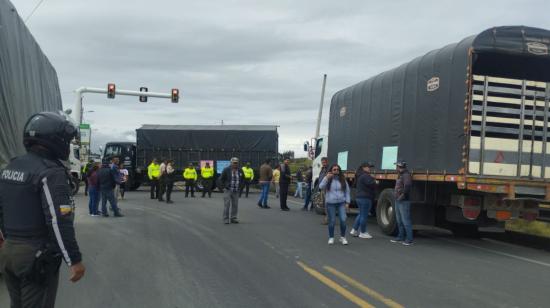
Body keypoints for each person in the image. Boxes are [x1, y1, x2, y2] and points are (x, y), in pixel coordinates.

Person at [0, 112, 85, 307]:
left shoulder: (11, 166)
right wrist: (74, 259)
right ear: (56, 140)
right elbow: (58, 220)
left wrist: (9, 239)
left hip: (9, 251)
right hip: (34, 255)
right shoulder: (50, 172)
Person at [319, 164, 350, 245]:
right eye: (334, 169)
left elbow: (347, 191)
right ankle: (331, 237)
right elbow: (321, 186)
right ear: (331, 171)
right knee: (332, 221)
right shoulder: (328, 179)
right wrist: (326, 178)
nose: (336, 171)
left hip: (341, 203)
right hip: (330, 203)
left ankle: (342, 237)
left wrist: (347, 202)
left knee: (343, 220)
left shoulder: (342, 179)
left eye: (337, 169)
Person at [350, 162, 377, 239]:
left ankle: (354, 230)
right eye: (368, 167)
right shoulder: (365, 176)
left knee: (361, 214)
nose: (370, 169)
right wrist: (374, 180)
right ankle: (363, 232)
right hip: (365, 198)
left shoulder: (360, 175)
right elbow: (372, 184)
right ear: (364, 168)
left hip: (360, 197)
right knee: (364, 215)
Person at [391, 161, 413, 245]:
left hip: (404, 201)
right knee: (399, 220)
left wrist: (402, 196)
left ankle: (409, 239)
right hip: (398, 200)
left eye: (396, 166)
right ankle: (400, 237)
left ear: (400, 167)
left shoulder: (406, 175)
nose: (396, 168)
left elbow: (407, 187)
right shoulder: (400, 175)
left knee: (405, 220)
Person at [220, 157, 244, 224]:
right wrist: (223, 187)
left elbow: (243, 179)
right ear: (231, 163)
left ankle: (233, 218)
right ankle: (226, 219)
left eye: (236, 163)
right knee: (227, 205)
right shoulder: (226, 169)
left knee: (235, 205)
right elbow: (221, 179)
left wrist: (241, 187)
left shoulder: (240, 170)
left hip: (236, 190)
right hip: (228, 190)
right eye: (234, 163)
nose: (235, 164)